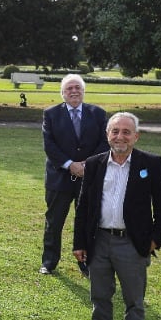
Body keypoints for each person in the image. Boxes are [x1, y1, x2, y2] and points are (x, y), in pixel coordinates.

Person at [73, 112, 161, 320]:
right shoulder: (94, 164)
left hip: (132, 244)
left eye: (126, 132)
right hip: (99, 241)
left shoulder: (150, 163)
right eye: (115, 131)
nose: (120, 136)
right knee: (100, 298)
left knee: (134, 302)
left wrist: (153, 242)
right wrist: (79, 242)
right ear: (107, 135)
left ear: (136, 136)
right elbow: (83, 207)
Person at [39, 74, 108, 275]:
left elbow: (105, 143)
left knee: (87, 220)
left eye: (78, 87)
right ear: (62, 93)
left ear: (84, 91)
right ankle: (49, 261)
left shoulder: (98, 113)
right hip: (59, 178)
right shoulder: (50, 114)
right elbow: (49, 145)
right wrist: (70, 165)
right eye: (69, 88)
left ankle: (85, 262)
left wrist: (87, 165)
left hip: (89, 177)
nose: (74, 91)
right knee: (54, 221)